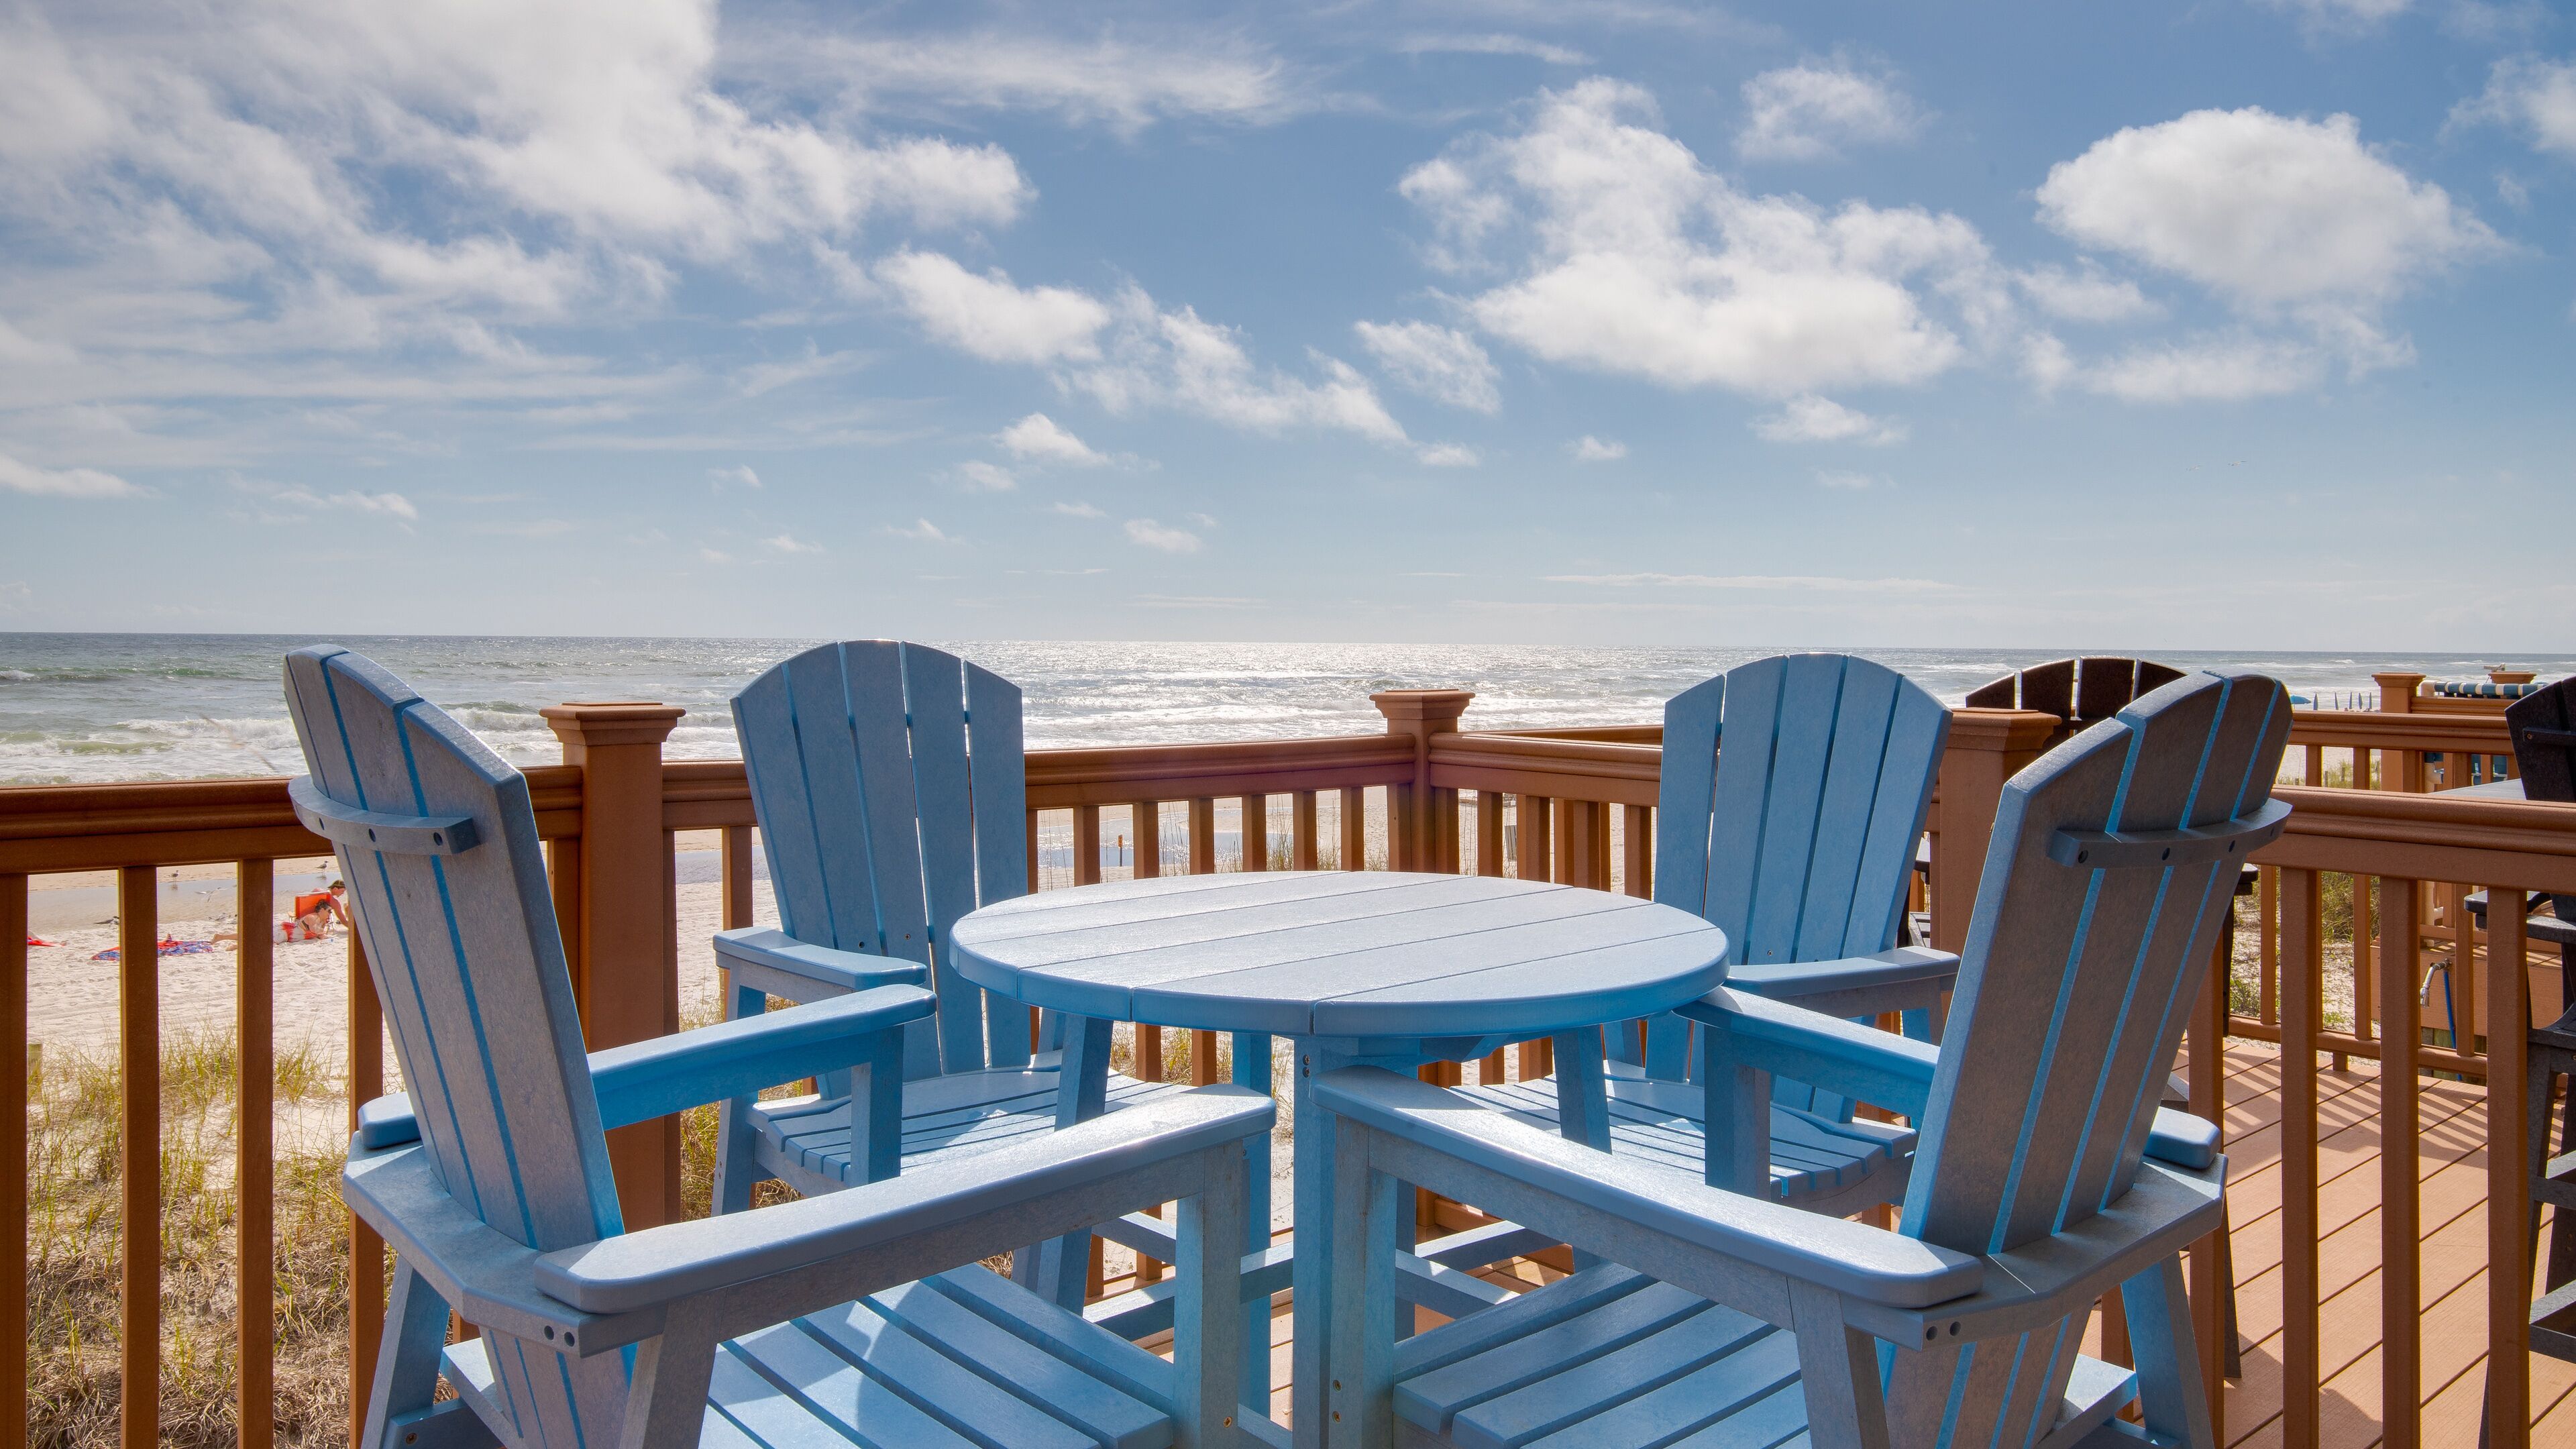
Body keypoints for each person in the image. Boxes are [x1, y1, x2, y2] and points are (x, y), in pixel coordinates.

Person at [284, 881, 354, 941]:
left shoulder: (317, 891)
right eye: (342, 891)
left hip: (302, 921)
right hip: (317, 925)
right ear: (335, 889)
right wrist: (353, 928)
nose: (343, 893)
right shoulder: (335, 903)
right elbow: (343, 921)